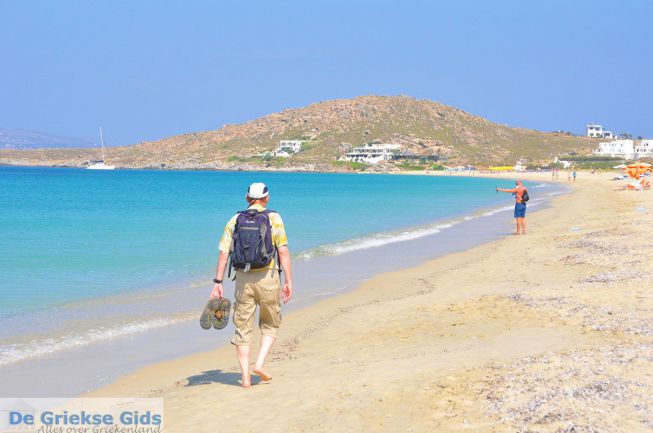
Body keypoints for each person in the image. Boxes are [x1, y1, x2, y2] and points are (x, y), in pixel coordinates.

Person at [210, 182, 293, 388]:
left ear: (247, 198)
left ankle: (245, 378)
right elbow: (282, 250)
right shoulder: (274, 218)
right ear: (267, 198)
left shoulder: (235, 219)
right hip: (268, 277)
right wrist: (289, 281)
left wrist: (218, 282)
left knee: (242, 329)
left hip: (242, 279)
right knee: (270, 324)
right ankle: (260, 364)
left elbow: (223, 252)